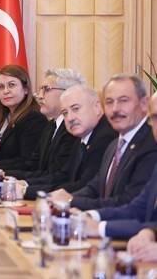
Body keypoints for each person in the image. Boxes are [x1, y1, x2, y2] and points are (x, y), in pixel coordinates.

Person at [49, 73, 157, 210]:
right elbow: (95, 187)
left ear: (144, 104)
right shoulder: (114, 145)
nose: (115, 109)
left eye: (123, 100)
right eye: (109, 102)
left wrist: (71, 200)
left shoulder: (151, 143)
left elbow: (129, 202)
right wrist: (64, 199)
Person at [78, 92, 157, 240]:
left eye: (124, 100)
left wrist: (100, 228)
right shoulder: (114, 145)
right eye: (155, 118)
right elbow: (138, 208)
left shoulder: (149, 149)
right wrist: (91, 215)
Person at [18, 85, 117, 199]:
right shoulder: (82, 136)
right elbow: (64, 175)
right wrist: (25, 185)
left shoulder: (106, 137)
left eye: (75, 109)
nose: (70, 118)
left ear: (96, 107)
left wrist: (26, 191)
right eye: (65, 113)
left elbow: (84, 186)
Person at [0, 68, 83, 177]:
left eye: (47, 89)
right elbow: (32, 165)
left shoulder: (72, 129)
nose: (40, 95)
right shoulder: (51, 126)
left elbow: (58, 176)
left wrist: (23, 186)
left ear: (67, 94)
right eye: (41, 89)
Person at [0, 65, 48, 170]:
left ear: (25, 89)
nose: (5, 91)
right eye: (1, 87)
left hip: (22, 182)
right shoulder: (5, 117)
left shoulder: (34, 119)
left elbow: (28, 161)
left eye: (11, 85)